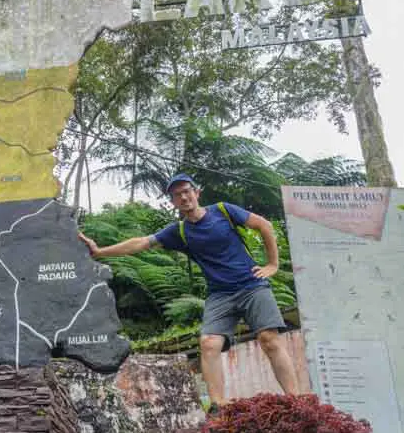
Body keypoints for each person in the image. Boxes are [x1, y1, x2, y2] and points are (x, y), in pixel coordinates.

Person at [78, 173, 299, 412]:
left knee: (269, 340)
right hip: (220, 294)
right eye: (177, 195)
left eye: (187, 191)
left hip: (252, 285)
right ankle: (218, 407)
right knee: (208, 343)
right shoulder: (179, 231)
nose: (183, 197)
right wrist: (100, 252)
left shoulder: (223, 211)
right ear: (173, 202)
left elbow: (264, 225)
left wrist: (272, 265)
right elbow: (140, 243)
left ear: (197, 193)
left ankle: (296, 401)